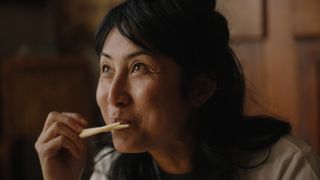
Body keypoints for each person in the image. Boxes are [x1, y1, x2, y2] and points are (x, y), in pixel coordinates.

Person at [35, 0, 320, 180]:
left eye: (139, 68)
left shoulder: (285, 168)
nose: (113, 96)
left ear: (201, 88)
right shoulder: (111, 170)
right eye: (107, 69)